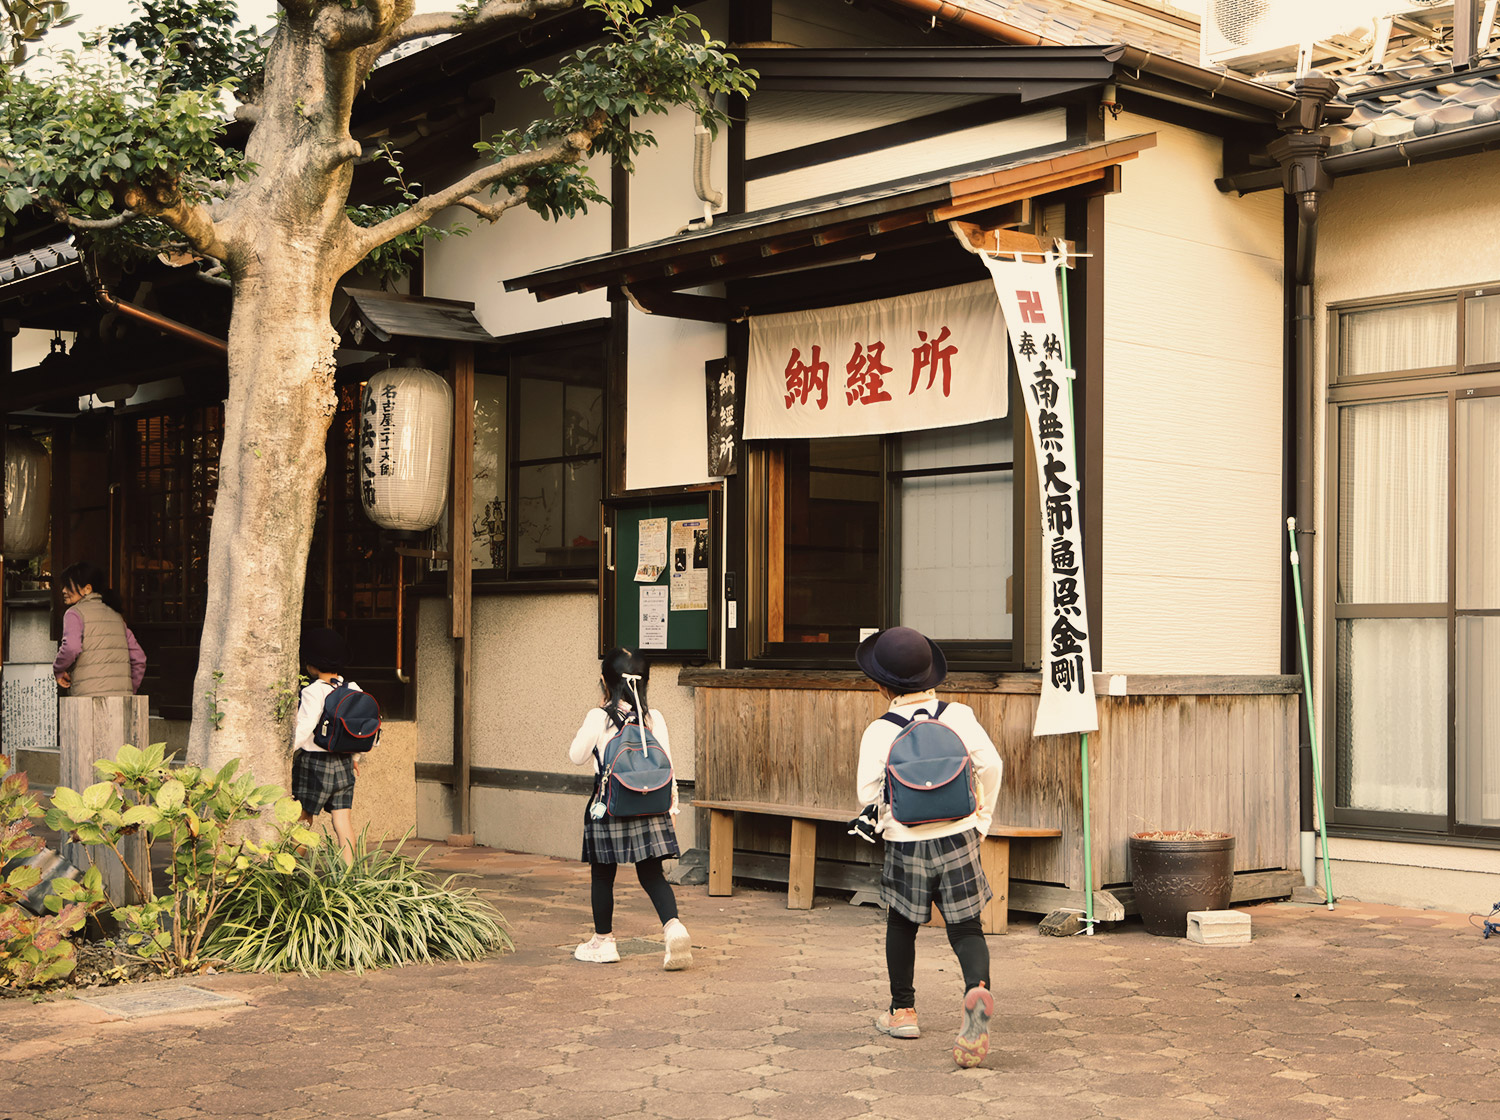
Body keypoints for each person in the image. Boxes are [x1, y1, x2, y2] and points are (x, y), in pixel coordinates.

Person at [854, 626, 1004, 1069]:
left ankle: (902, 1011)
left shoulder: (879, 730)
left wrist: (889, 821)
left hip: (906, 840)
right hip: (959, 835)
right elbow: (990, 765)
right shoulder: (959, 714)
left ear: (882, 685)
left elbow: (867, 793)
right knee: (967, 929)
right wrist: (982, 821)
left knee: (901, 924)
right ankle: (976, 993)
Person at [567, 647, 692, 970]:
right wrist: (672, 810)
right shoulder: (653, 718)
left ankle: (604, 941)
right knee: (652, 874)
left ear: (605, 682)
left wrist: (598, 717)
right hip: (651, 804)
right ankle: (673, 927)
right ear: (645, 683)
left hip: (610, 806)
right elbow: (669, 768)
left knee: (602, 874)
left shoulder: (599, 717)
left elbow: (576, 756)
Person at [291, 628, 360, 865]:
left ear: (311, 665)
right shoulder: (352, 688)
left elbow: (305, 727)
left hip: (314, 763)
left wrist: (286, 751)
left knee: (303, 819)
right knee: (342, 822)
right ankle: (350, 876)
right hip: (343, 763)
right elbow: (360, 726)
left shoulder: (312, 691)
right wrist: (356, 758)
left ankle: (286, 876)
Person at [52, 562, 146, 697]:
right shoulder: (116, 616)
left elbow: (72, 647)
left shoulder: (74, 613)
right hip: (121, 700)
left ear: (87, 589)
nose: (63, 591)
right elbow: (139, 658)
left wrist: (58, 669)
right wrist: (129, 690)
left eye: (68, 586)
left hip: (87, 698)